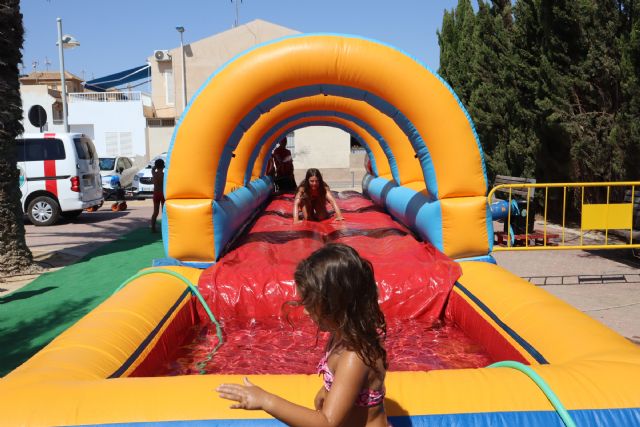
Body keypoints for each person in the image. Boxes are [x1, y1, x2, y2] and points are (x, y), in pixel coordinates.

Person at [217, 243, 388, 427]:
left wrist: (266, 401)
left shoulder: (355, 356)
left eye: (311, 304)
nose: (306, 312)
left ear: (336, 304)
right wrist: (326, 390)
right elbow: (345, 385)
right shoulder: (340, 334)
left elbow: (328, 423)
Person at [150, 158, 165, 233]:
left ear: (156, 166)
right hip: (163, 194)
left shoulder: (154, 174)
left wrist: (155, 167)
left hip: (156, 194)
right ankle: (165, 228)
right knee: (164, 212)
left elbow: (152, 169)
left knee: (155, 212)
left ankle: (153, 227)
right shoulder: (164, 175)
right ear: (163, 166)